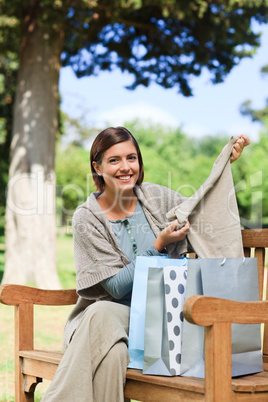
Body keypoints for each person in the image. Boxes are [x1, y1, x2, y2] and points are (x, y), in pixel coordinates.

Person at [42, 127, 249, 402]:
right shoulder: (87, 217)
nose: (125, 167)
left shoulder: (155, 198)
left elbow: (198, 206)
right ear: (97, 166)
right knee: (107, 329)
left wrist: (224, 165)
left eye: (132, 158)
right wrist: (157, 245)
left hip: (161, 320)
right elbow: (115, 288)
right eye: (114, 160)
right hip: (108, 323)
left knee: (108, 334)